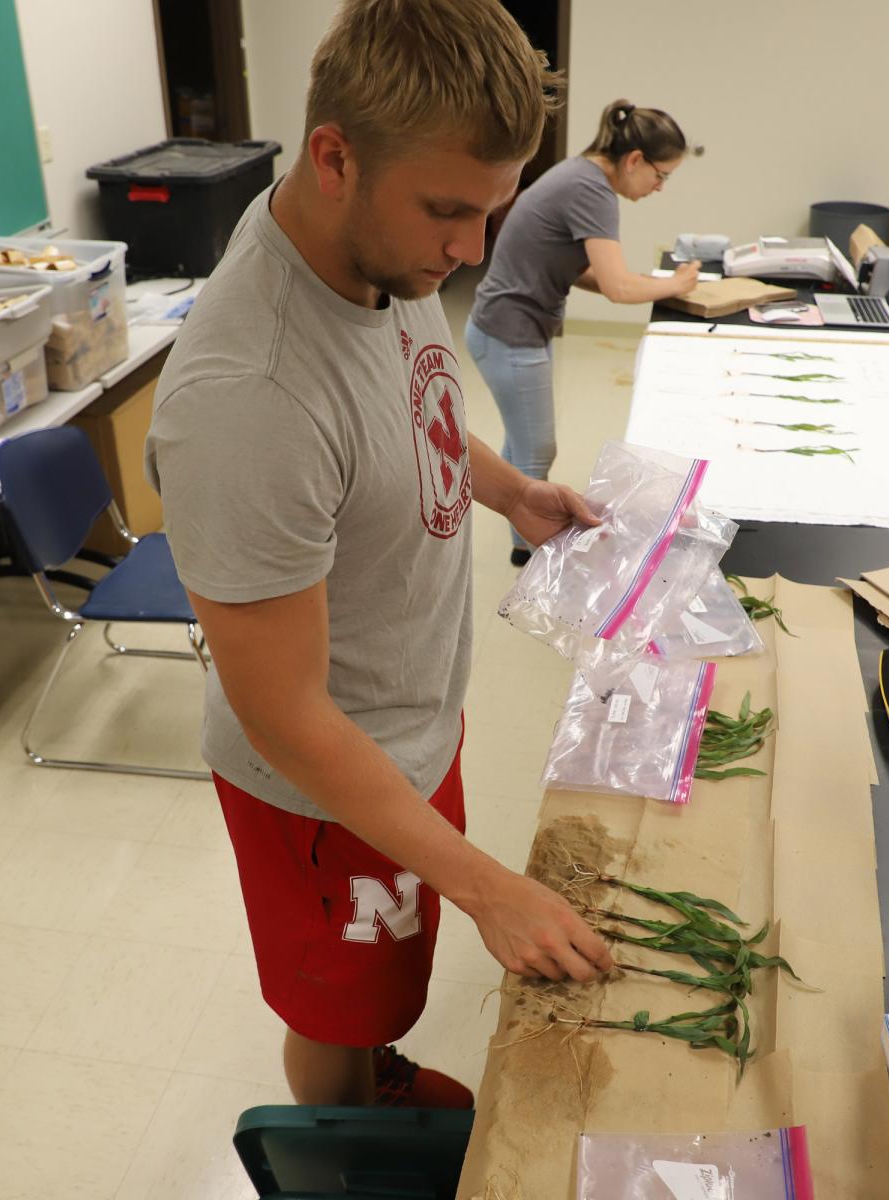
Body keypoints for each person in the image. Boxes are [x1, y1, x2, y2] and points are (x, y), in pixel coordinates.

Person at [145, 0, 615, 1111]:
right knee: (339, 1010)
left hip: (407, 724)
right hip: (322, 787)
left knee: (386, 993)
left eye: (492, 212)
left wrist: (509, 492)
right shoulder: (248, 396)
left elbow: (422, 392)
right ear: (334, 157)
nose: (471, 252)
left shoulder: (386, 259)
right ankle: (338, 1135)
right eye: (450, 212)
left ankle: (373, 1074)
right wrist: (487, 887)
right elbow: (286, 717)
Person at [466, 99, 698, 564]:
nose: (659, 187)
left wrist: (655, 286)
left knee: (522, 438)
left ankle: (519, 539)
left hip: (505, 328)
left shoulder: (581, 175)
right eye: (661, 175)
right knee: (536, 447)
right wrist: (676, 283)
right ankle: (535, 557)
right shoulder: (592, 190)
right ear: (634, 160)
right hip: (508, 334)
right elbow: (614, 285)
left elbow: (572, 269)